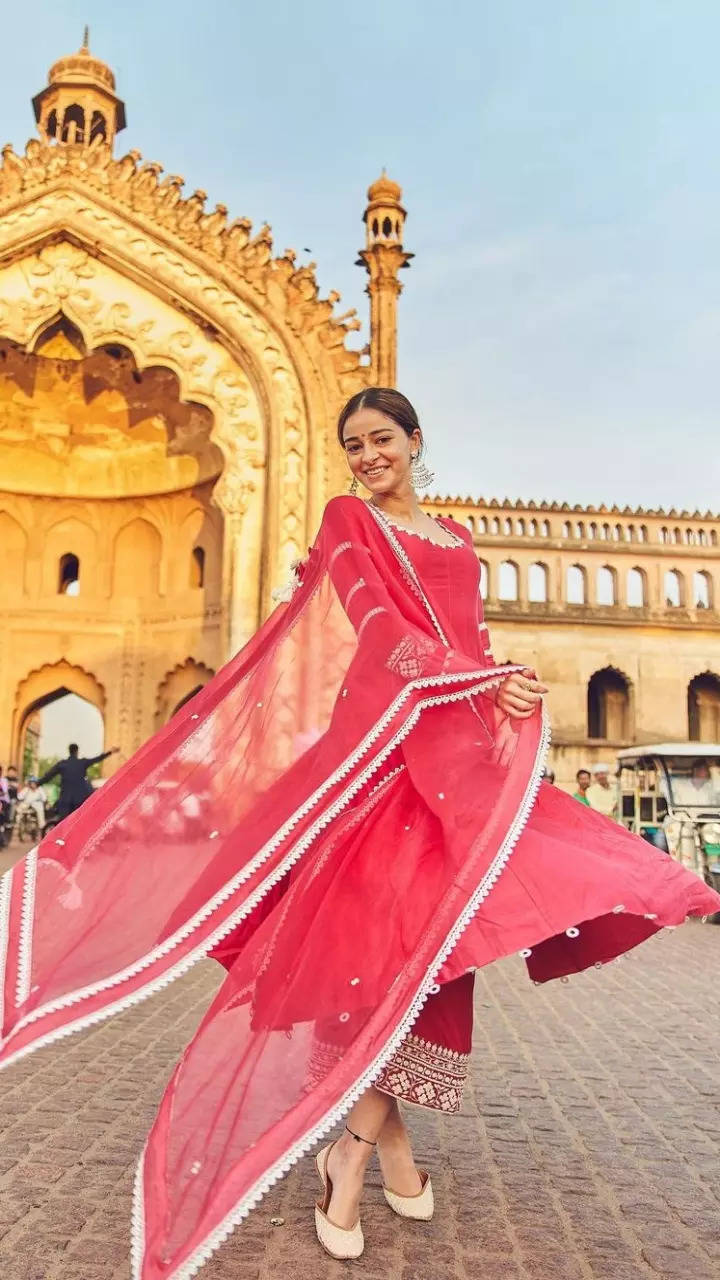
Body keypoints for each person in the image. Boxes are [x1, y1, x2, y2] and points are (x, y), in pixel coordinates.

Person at [0, 389, 717, 1279]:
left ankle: (375, 1153)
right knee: (405, 961)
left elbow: (470, 630)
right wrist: (478, 680)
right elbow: (381, 632)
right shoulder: (349, 520)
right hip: (383, 757)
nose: (368, 455)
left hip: (463, 757)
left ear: (417, 441)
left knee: (438, 952)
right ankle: (359, 1156)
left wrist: (489, 691)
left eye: (383, 439)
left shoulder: (457, 537)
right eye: (353, 444)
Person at [38, 742, 119, 820]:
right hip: (80, 801)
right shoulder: (82, 763)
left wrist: (37, 783)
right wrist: (110, 752)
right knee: (80, 823)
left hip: (66, 800)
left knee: (64, 826)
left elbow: (48, 776)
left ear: (69, 751)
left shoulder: (62, 764)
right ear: (77, 751)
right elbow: (97, 759)